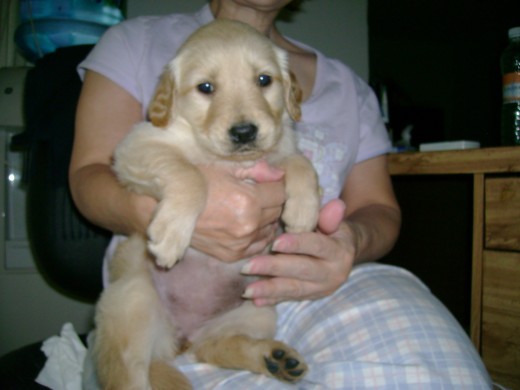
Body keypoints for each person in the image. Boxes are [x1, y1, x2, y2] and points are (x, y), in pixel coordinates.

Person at [69, 0, 492, 388]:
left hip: (270, 298)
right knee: (131, 324)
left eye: (264, 81)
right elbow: (120, 160)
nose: (242, 121)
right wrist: (181, 195)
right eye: (206, 88)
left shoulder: (348, 89)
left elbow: (377, 207)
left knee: (431, 363)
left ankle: (234, 346)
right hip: (154, 298)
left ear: (288, 89)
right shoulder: (138, 44)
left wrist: (348, 238)